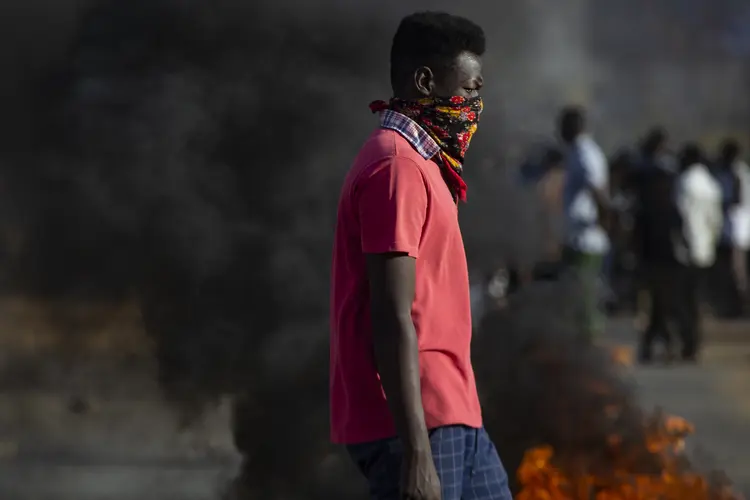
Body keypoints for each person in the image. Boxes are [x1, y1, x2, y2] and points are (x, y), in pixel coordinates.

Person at [329, 11, 512, 500]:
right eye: (469, 90)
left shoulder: (425, 164)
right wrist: (416, 453)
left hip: (454, 411)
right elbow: (392, 314)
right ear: (425, 81)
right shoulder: (397, 167)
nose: (476, 105)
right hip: (419, 424)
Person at [630, 128, 683, 362]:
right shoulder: (667, 178)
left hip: (649, 249)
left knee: (656, 300)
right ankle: (662, 344)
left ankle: (653, 345)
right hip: (663, 249)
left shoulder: (640, 178)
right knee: (662, 300)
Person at [558, 105, 610, 341]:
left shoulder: (585, 152)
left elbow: (598, 189)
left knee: (585, 295)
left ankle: (591, 345)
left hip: (586, 240)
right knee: (575, 295)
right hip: (576, 237)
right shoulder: (576, 151)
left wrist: (604, 221)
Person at [674, 143, 723, 361]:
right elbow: (716, 220)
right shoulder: (711, 184)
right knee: (696, 298)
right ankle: (695, 342)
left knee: (683, 300)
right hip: (705, 249)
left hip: (686, 249)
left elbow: (681, 217)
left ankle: (689, 343)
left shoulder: (684, 182)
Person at [710, 139, 747, 317]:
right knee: (725, 272)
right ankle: (728, 306)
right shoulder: (728, 172)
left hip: (735, 231)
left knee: (736, 272)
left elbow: (737, 199)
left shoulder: (737, 173)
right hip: (727, 230)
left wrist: (721, 203)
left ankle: (739, 307)